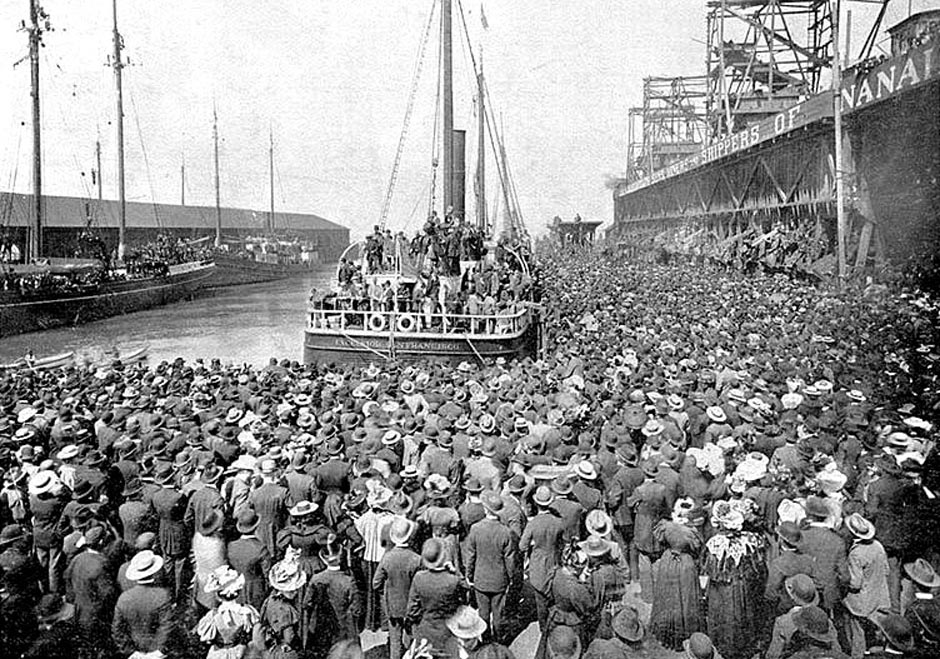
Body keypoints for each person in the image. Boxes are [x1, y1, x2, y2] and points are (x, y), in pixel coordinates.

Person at [465, 491, 517, 644]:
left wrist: (469, 576)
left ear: (486, 510)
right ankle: (499, 640)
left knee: (483, 613)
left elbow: (471, 556)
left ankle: (485, 641)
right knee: (498, 613)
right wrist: (510, 578)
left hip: (480, 578)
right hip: (499, 580)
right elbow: (510, 560)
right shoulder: (506, 532)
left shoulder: (475, 529)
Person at [373, 516, 422, 659]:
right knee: (412, 637)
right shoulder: (416, 559)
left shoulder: (387, 557)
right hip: (412, 605)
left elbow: (376, 583)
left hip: (393, 605)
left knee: (395, 640)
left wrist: (386, 592)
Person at [112, 550, 174, 659]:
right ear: (154, 572)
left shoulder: (124, 598)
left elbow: (117, 630)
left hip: (135, 651)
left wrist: (131, 652)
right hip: (157, 651)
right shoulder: (162, 595)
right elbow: (167, 625)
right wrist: (158, 651)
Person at [195, 565, 261, 659]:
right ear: (238, 593)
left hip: (218, 654)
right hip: (240, 652)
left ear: (218, 596)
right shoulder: (247, 611)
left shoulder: (213, 616)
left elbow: (206, 639)